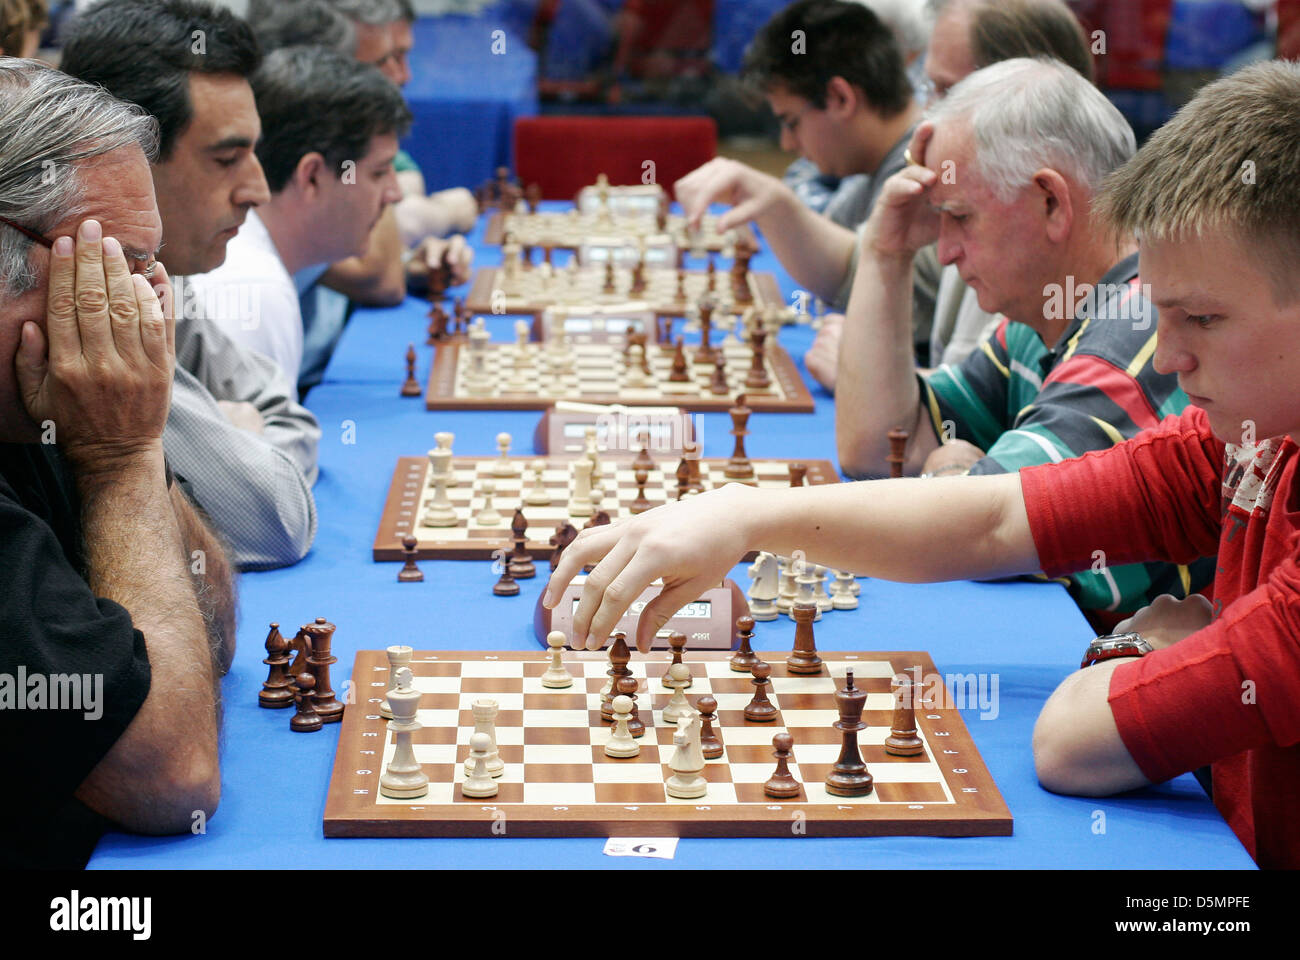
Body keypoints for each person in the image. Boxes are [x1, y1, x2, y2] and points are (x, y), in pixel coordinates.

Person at [545, 59, 1300, 870]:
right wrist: (738, 516)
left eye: (1204, 319)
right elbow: (994, 519)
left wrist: (1140, 647)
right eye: (1162, 313)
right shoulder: (1251, 438)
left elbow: (1069, 744)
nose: (1175, 356)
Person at [839, 58, 1215, 629]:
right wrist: (884, 252)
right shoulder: (1042, 315)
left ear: (1051, 202)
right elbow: (879, 447)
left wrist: (950, 476)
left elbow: (976, 530)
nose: (942, 252)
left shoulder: (1135, 337)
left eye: (959, 217)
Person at [0, 60, 231, 867]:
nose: (151, 305)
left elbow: (213, 637)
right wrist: (124, 458)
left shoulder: (39, 413)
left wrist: (126, 438)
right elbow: (172, 776)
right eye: (122, 269)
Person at [60, 0, 321, 570]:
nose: (258, 190)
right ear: (123, 161)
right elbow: (276, 518)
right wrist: (237, 441)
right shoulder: (98, 297)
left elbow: (289, 417)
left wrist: (247, 439)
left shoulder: (164, 266)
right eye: (227, 158)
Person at [802, 0, 1095, 386]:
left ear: (1025, 92)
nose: (925, 116)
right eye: (927, 88)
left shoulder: (1039, 259)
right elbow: (970, 404)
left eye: (946, 92)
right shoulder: (966, 199)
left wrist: (865, 377)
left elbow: (984, 430)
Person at [676, 0, 935, 360]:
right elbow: (840, 251)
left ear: (840, 98)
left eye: (790, 121)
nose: (786, 143)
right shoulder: (875, 169)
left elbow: (885, 291)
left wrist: (778, 203)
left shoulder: (926, 172)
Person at [181, 44, 410, 384]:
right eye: (378, 173)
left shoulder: (255, 261)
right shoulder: (257, 289)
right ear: (312, 176)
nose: (395, 193)